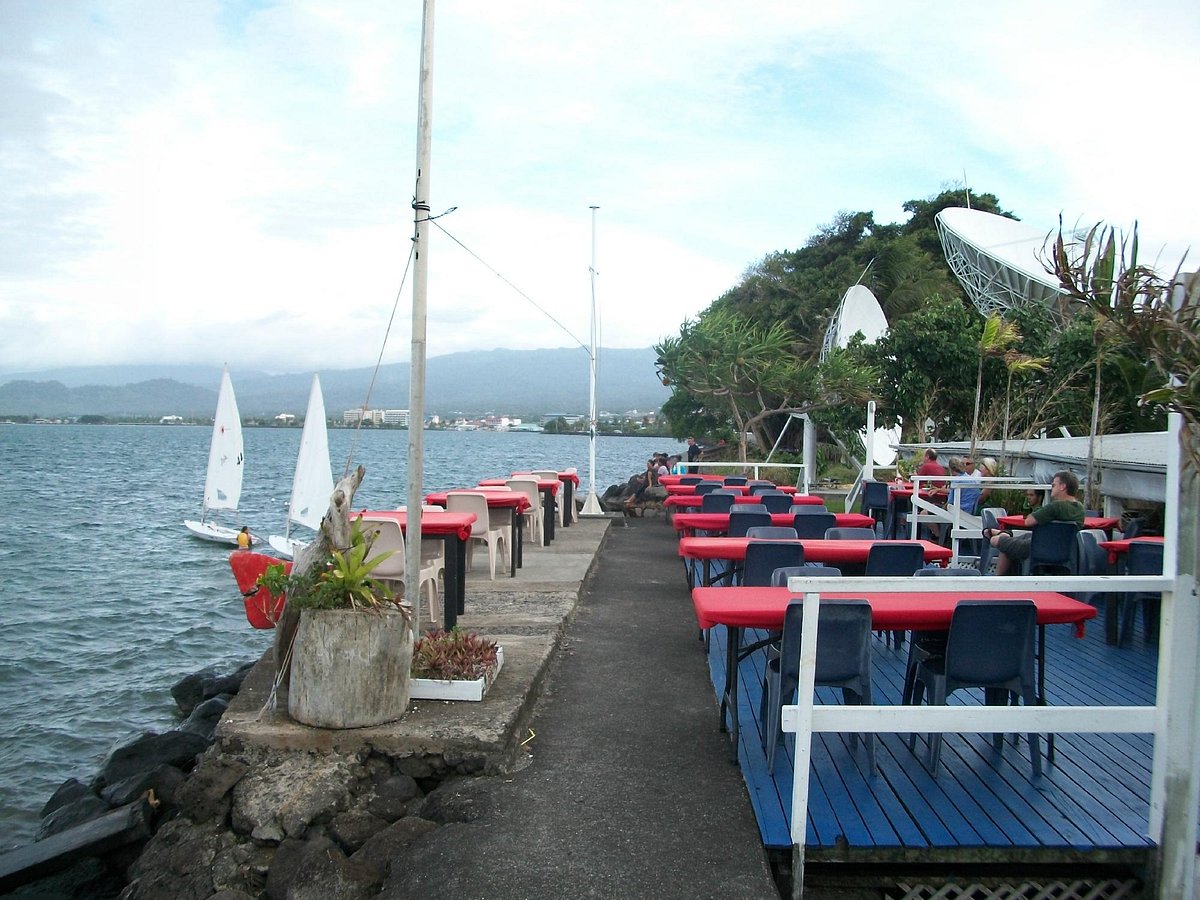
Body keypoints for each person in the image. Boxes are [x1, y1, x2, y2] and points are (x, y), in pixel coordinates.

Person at [984, 470, 1084, 576]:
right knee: (1017, 540)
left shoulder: (1055, 506)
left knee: (996, 541)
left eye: (1054, 485)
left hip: (1039, 549)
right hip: (1065, 551)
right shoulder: (1080, 508)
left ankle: (998, 581)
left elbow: (1028, 521)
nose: (1051, 488)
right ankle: (1004, 534)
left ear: (1062, 487)